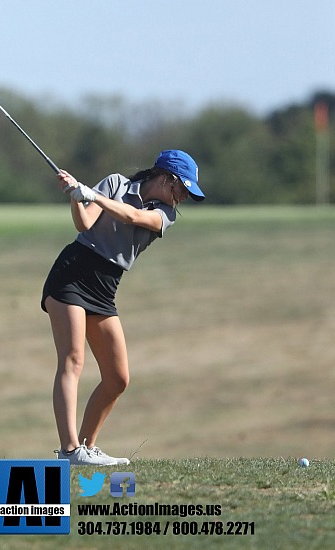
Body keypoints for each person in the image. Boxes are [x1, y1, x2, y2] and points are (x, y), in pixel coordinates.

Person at [41, 149, 205, 466]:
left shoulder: (165, 214)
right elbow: (84, 224)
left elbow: (132, 217)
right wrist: (77, 195)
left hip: (105, 287)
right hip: (73, 274)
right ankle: (71, 451)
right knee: (73, 360)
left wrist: (93, 196)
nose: (182, 197)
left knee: (118, 379)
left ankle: (88, 445)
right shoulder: (116, 184)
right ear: (166, 178)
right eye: (182, 188)